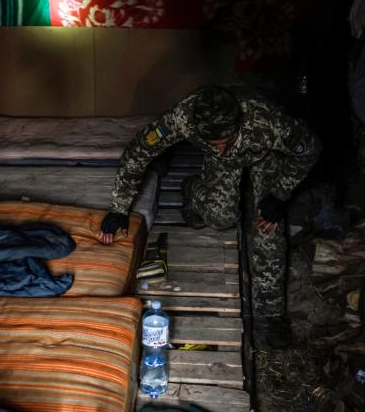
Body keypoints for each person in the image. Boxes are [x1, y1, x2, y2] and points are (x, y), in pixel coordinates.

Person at [100, 85, 321, 349]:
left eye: (225, 140)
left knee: (268, 229)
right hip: (222, 164)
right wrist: (118, 208)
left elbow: (310, 148)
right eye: (213, 141)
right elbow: (138, 151)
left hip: (266, 155)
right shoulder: (183, 118)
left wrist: (280, 194)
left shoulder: (267, 121)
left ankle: (271, 316)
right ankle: (192, 189)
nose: (220, 146)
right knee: (221, 217)